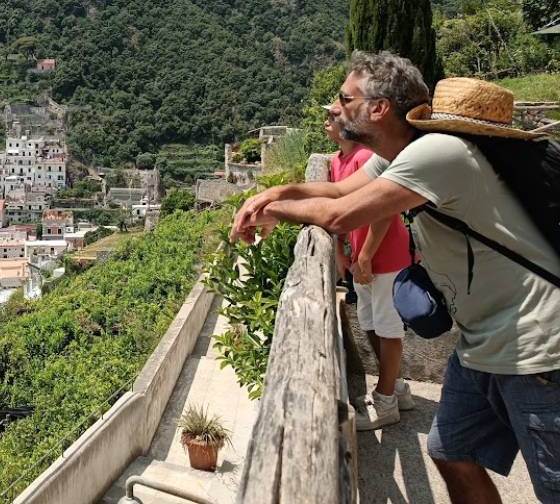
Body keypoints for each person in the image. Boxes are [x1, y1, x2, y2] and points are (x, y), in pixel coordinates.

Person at [232, 51, 560, 504]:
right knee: (450, 450)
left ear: (379, 108)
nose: (337, 106)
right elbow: (338, 188)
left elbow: (339, 213)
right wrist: (274, 192)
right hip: (483, 342)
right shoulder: (401, 153)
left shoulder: (436, 152)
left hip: (537, 347)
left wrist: (270, 211)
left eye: (345, 97)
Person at [324, 104, 413, 430]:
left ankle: (386, 401)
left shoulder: (365, 158)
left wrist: (364, 258)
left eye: (334, 117)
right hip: (362, 258)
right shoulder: (336, 162)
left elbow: (385, 211)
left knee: (388, 328)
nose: (327, 122)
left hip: (385, 257)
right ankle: (396, 388)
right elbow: (338, 208)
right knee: (372, 324)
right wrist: (340, 252)